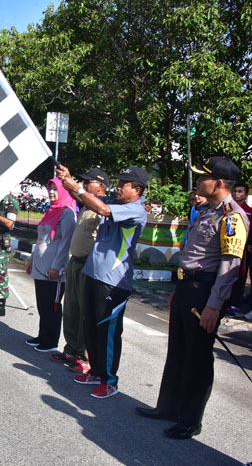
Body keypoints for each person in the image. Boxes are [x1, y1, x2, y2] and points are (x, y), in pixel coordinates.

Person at [136, 157, 248, 439]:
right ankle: (168, 407)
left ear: (219, 184)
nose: (197, 182)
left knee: (197, 357)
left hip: (205, 292)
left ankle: (189, 419)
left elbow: (230, 267)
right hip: (187, 287)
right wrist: (178, 288)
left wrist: (214, 305)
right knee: (177, 350)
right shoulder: (208, 210)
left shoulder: (231, 217)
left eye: (202, 178)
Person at [57, 164, 148, 399]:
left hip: (113, 281)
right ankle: (95, 371)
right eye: (117, 184)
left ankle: (109, 380)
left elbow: (103, 209)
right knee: (90, 326)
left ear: (137, 190)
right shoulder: (116, 201)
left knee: (107, 331)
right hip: (93, 273)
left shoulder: (136, 210)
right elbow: (93, 198)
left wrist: (76, 189)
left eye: (123, 185)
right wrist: (68, 180)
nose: (117, 188)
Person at [50, 168, 108, 374]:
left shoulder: (104, 207)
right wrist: (66, 178)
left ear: (101, 186)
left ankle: (85, 356)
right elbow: (75, 193)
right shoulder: (85, 205)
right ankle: (71, 349)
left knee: (85, 312)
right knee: (71, 309)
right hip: (75, 263)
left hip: (89, 265)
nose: (83, 185)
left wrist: (74, 185)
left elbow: (87, 199)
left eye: (88, 182)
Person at [26, 177, 76, 352]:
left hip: (53, 269)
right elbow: (40, 239)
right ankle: (42, 335)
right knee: (42, 304)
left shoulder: (67, 213)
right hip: (40, 266)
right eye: (50, 189)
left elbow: (65, 243)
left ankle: (51, 341)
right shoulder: (51, 210)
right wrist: (32, 259)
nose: (52, 192)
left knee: (52, 306)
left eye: (55, 189)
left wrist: (56, 266)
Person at [226, 182, 252, 315]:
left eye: (240, 191)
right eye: (235, 191)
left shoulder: (249, 211)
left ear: (245, 194)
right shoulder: (228, 210)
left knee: (239, 275)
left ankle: (235, 303)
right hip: (226, 246)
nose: (237, 194)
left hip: (242, 249)